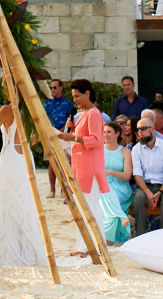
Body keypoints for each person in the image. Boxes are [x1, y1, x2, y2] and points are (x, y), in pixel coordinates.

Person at [0, 102, 49, 266]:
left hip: (11, 156)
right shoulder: (33, 107)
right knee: (25, 202)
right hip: (25, 156)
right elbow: (39, 134)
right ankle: (27, 249)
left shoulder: (6, 110)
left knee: (9, 201)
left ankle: (14, 249)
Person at [56, 78, 109, 244]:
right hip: (80, 165)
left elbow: (95, 139)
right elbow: (78, 139)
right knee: (83, 206)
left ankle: (95, 244)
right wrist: (70, 129)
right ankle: (85, 245)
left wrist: (73, 136)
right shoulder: (83, 114)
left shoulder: (93, 113)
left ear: (87, 93)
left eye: (77, 96)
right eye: (73, 97)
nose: (75, 99)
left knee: (90, 206)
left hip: (90, 167)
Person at [130, 116, 163, 235]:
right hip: (145, 186)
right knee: (138, 198)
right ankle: (140, 235)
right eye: (138, 129)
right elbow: (137, 175)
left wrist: (159, 192)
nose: (140, 132)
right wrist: (148, 192)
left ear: (152, 129)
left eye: (143, 128)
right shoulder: (136, 149)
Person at [101, 121, 134, 243]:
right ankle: (120, 216)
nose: (106, 135)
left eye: (109, 132)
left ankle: (108, 239)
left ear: (117, 134)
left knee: (106, 194)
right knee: (104, 195)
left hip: (121, 188)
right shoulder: (99, 151)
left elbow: (127, 176)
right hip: (103, 188)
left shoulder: (125, 152)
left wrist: (110, 171)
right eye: (104, 132)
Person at [43, 79, 76, 198]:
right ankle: (52, 190)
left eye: (55, 87)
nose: (53, 90)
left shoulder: (68, 103)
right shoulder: (47, 102)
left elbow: (71, 118)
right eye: (51, 88)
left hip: (63, 135)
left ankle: (64, 188)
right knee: (52, 162)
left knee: (64, 161)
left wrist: (62, 131)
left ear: (61, 88)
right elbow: (44, 117)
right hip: (50, 134)